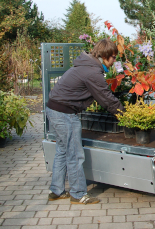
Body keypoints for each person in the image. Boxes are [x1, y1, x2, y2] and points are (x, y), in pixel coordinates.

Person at [46, 38, 124, 204]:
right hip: (64, 113)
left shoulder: (87, 65)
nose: (115, 60)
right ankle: (78, 194)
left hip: (55, 109)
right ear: (106, 56)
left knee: (62, 150)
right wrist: (125, 115)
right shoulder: (92, 72)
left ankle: (56, 190)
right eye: (114, 57)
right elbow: (106, 99)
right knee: (75, 153)